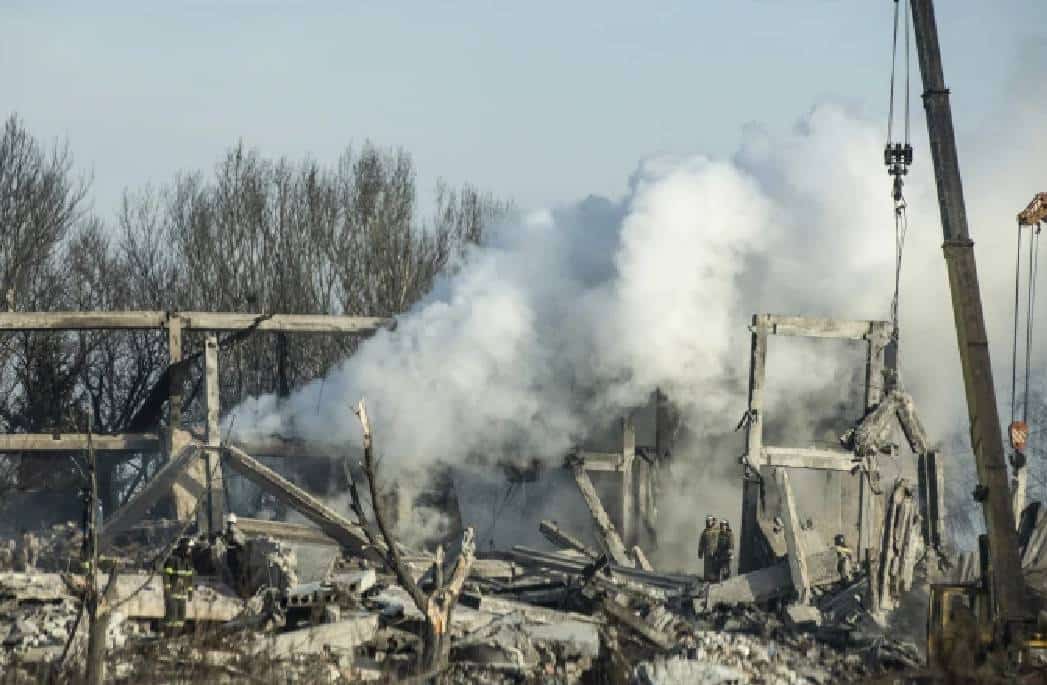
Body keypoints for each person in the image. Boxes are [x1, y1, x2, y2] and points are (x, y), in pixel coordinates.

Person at [163, 537, 195, 633]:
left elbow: (189, 578)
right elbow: (166, 575)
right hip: (172, 595)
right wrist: (167, 591)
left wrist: (190, 591)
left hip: (182, 595)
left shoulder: (187, 562)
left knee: (181, 619)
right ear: (184, 547)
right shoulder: (172, 560)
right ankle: (168, 636)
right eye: (189, 548)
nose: (190, 550)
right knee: (171, 618)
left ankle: (177, 637)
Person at [698, 516, 720, 581]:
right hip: (707, 552)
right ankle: (707, 580)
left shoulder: (718, 531)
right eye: (707, 522)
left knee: (715, 567)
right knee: (707, 568)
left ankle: (716, 580)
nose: (708, 523)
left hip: (716, 553)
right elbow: (701, 543)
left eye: (709, 521)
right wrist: (700, 552)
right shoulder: (705, 532)